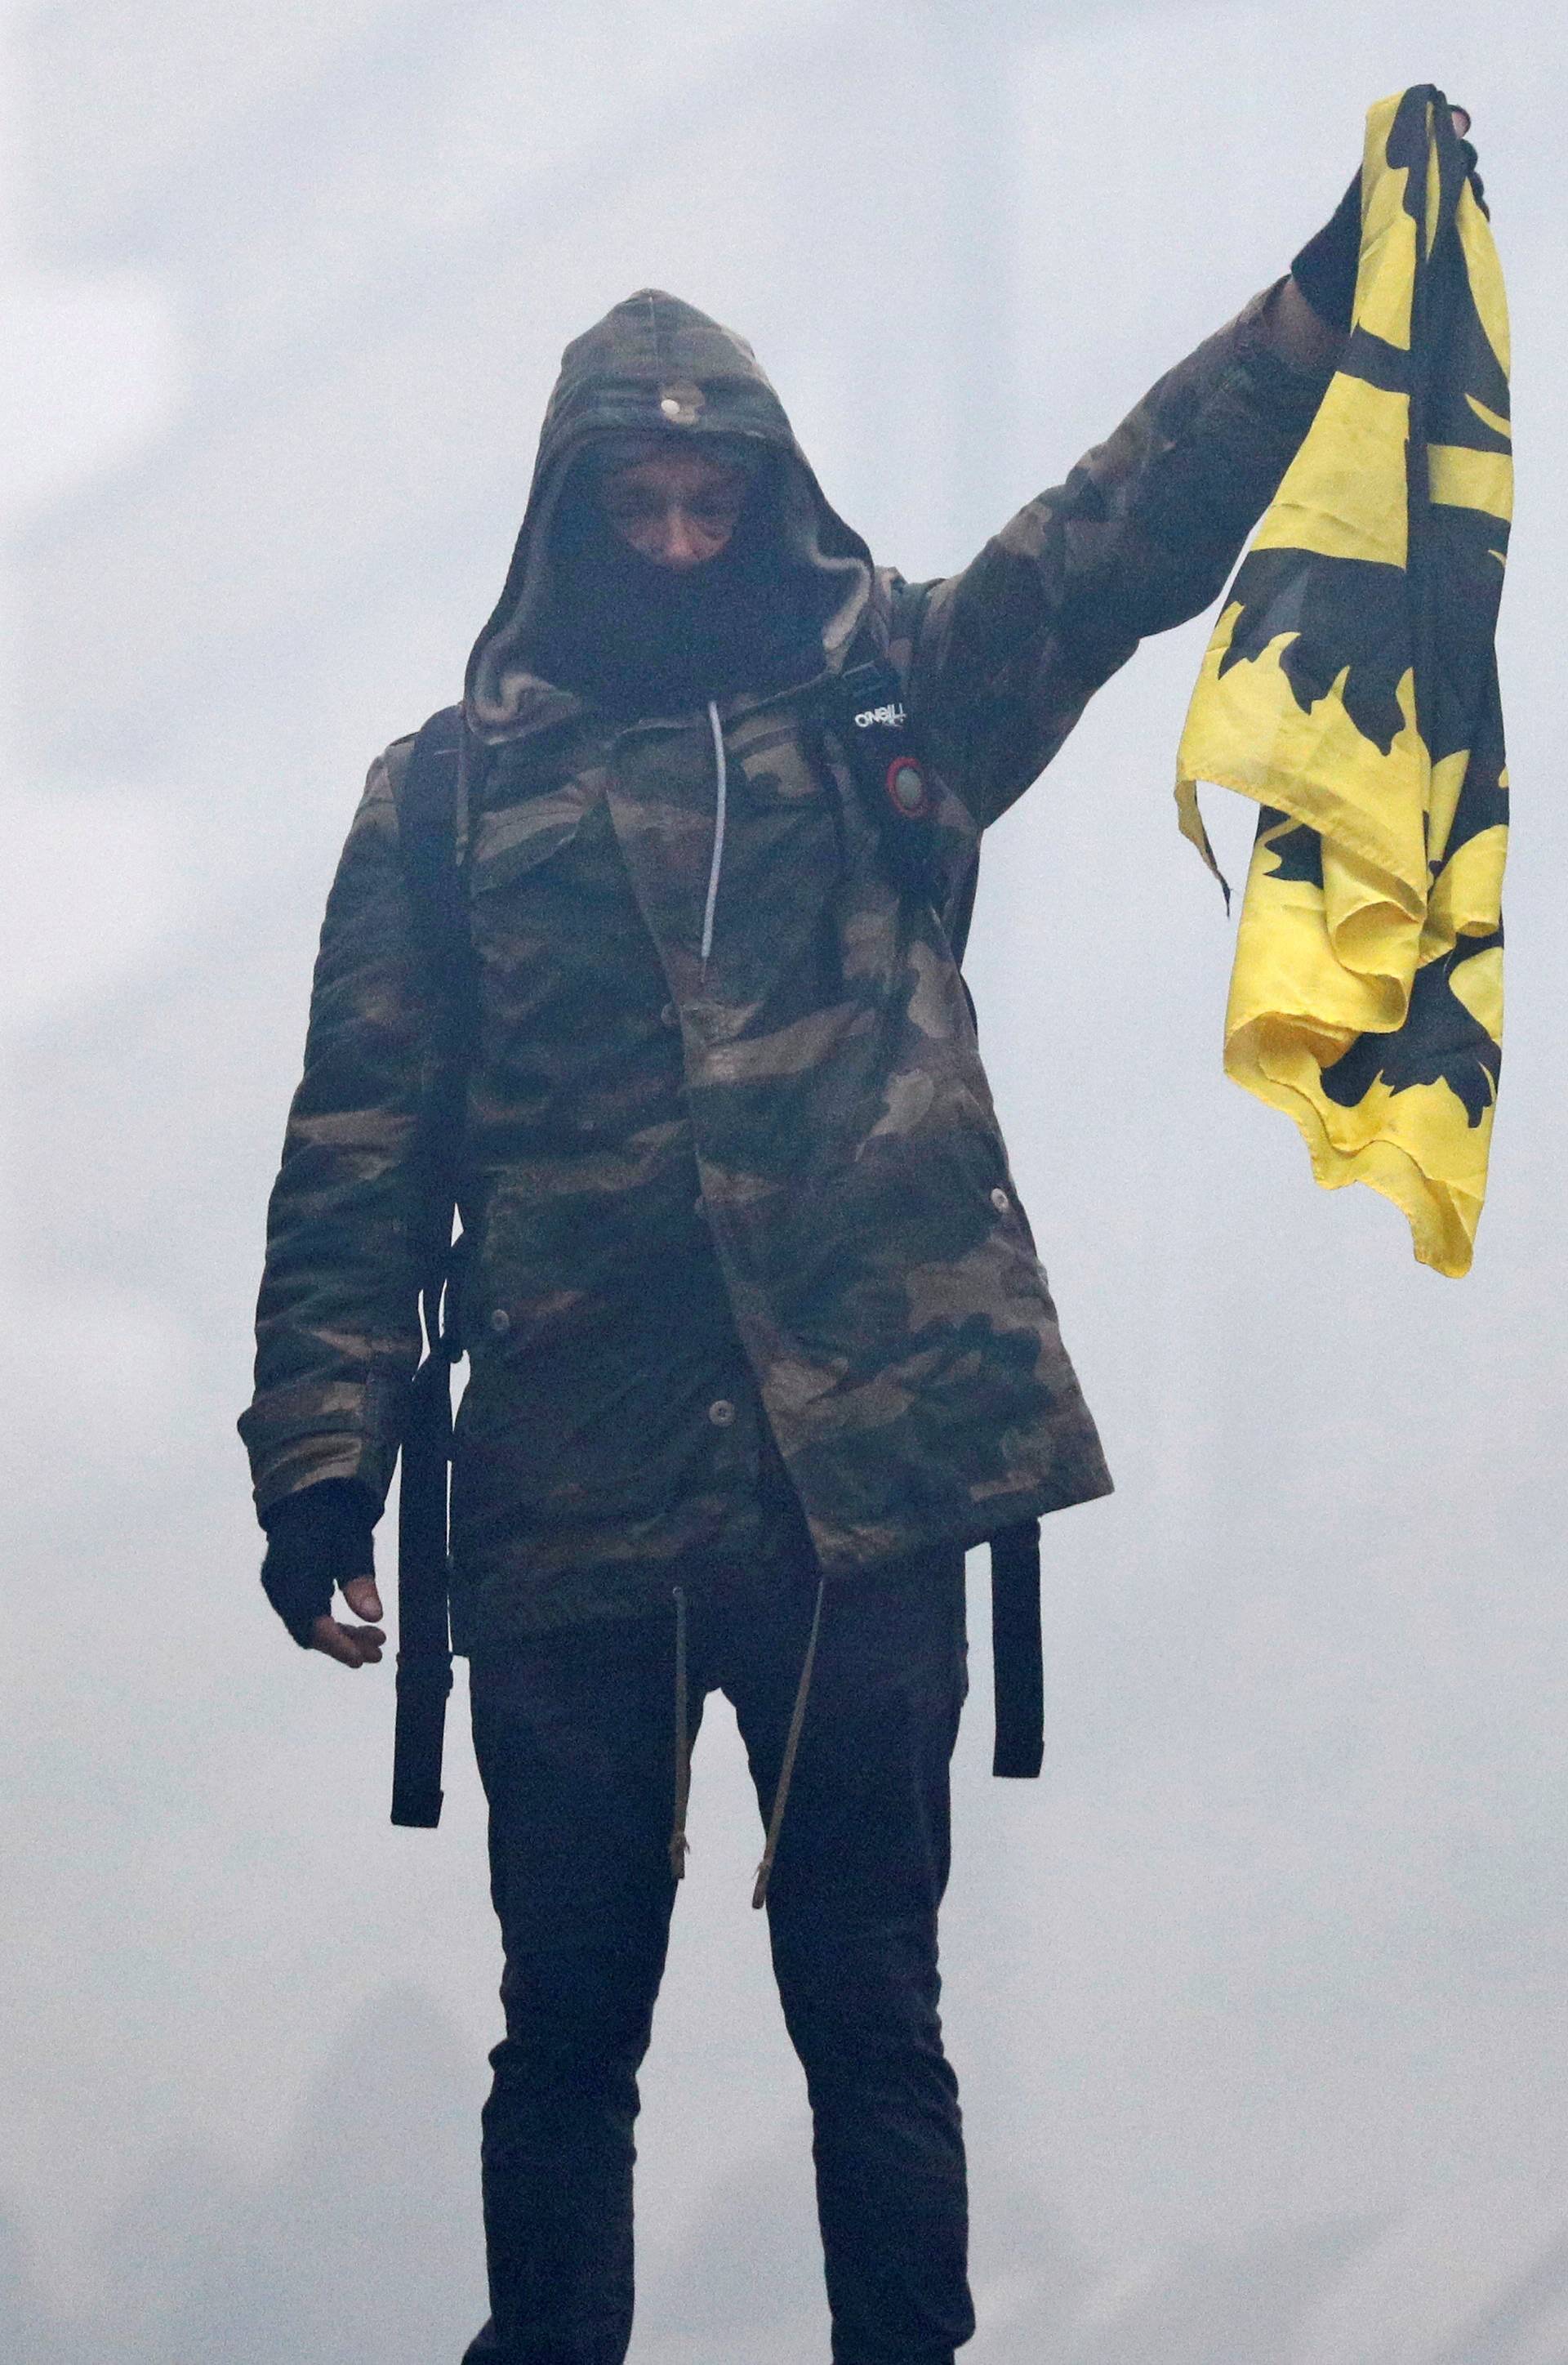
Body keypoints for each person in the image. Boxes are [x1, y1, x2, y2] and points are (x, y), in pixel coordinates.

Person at [239, 127, 1467, 2361]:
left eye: (714, 504)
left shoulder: (888, 702)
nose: (685, 540)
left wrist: (1320, 297)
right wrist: (317, 1464)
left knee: (872, 2011)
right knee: (569, 2028)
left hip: (864, 1473)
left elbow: (1115, 537)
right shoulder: (444, 802)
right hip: (572, 1491)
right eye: (642, 509)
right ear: (575, 518)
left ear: (766, 501)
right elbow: (355, 1143)